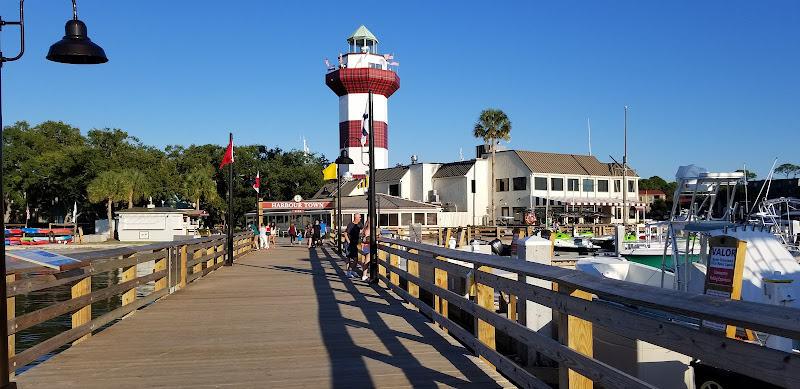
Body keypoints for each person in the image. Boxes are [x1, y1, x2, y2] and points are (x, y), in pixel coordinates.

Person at [344, 214, 362, 278]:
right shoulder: (350, 225)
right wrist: (348, 242)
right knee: (348, 257)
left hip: (355, 243)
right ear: (356, 218)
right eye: (359, 217)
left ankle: (353, 271)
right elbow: (345, 233)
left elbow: (363, 230)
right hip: (349, 243)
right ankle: (348, 272)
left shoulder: (360, 224)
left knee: (356, 258)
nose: (360, 218)